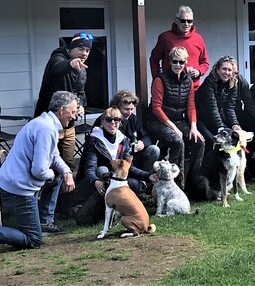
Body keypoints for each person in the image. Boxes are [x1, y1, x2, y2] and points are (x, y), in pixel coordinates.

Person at [0, 91, 77, 250]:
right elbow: (39, 170)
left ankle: (44, 221)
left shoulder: (45, 123)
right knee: (33, 240)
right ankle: (36, 225)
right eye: (73, 111)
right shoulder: (46, 129)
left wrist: (67, 172)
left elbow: (54, 155)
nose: (75, 116)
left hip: (14, 181)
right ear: (61, 110)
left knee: (57, 178)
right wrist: (50, 174)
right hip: (19, 189)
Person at [33, 32, 93, 233]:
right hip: (48, 125)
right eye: (80, 49)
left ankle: (63, 208)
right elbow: (57, 70)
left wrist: (81, 105)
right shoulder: (58, 57)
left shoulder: (82, 70)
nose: (84, 54)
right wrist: (70, 64)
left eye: (87, 50)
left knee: (67, 166)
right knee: (46, 168)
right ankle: (39, 213)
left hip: (68, 125)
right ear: (70, 49)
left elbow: (81, 93)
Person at [73, 106, 158, 226]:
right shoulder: (94, 140)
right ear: (102, 121)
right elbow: (89, 168)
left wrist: (148, 176)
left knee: (133, 183)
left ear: (120, 122)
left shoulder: (124, 140)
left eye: (117, 119)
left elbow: (129, 167)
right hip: (94, 181)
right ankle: (92, 212)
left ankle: (118, 212)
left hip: (114, 182)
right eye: (109, 119)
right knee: (102, 170)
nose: (113, 123)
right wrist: (96, 181)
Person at [147, 46, 205, 190]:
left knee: (200, 141)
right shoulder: (160, 80)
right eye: (175, 61)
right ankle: (177, 185)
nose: (178, 65)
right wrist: (173, 127)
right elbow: (156, 108)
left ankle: (194, 183)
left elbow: (191, 106)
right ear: (169, 62)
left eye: (181, 62)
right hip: (158, 121)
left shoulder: (188, 81)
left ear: (185, 62)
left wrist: (193, 127)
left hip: (179, 120)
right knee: (177, 141)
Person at [149, 5, 209, 90]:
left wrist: (199, 71)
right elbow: (154, 59)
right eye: (183, 21)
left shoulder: (198, 38)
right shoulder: (165, 37)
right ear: (176, 21)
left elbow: (205, 62)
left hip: (193, 88)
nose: (186, 24)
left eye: (190, 21)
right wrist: (157, 78)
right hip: (170, 87)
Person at [195, 56, 241, 152]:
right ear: (217, 69)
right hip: (200, 117)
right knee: (210, 139)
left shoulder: (233, 84)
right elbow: (212, 107)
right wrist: (220, 127)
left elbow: (230, 108)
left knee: (232, 137)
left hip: (215, 117)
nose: (227, 73)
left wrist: (235, 124)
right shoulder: (209, 82)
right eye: (224, 69)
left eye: (229, 70)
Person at [109, 90, 160, 172]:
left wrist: (142, 143)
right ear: (117, 107)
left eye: (132, 109)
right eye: (126, 109)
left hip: (133, 155)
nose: (129, 112)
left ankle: (145, 178)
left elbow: (145, 136)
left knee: (154, 150)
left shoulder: (132, 118)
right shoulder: (108, 121)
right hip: (117, 159)